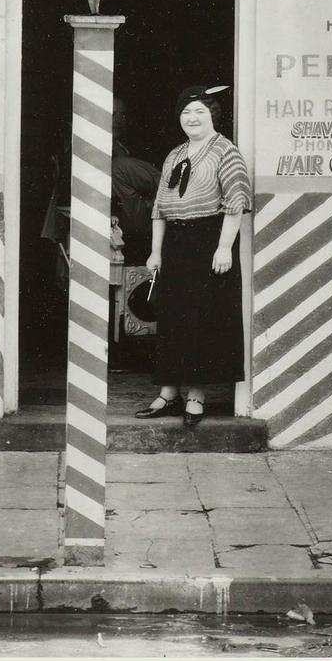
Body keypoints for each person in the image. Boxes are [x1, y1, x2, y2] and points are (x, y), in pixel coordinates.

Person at [134, 83, 250, 428]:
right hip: (176, 244)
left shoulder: (226, 151)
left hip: (210, 241)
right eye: (186, 112)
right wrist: (155, 251)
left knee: (201, 318)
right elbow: (159, 207)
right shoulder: (175, 154)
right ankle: (168, 393)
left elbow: (236, 201)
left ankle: (196, 395)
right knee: (172, 317)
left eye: (199, 111)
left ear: (212, 114)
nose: (192, 118)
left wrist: (224, 247)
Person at [110, 95, 161, 265]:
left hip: (134, 231)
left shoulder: (126, 147)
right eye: (112, 114)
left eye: (122, 115)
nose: (118, 120)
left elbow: (162, 185)